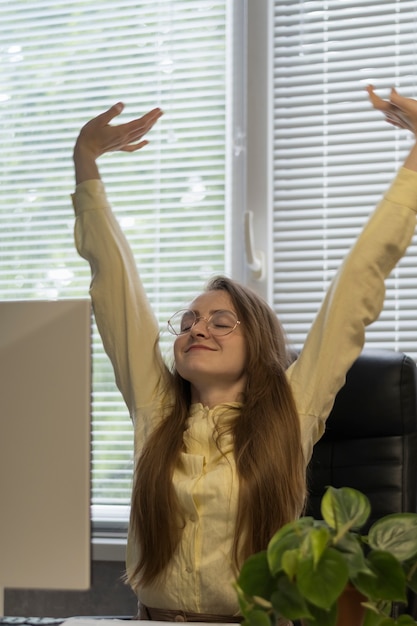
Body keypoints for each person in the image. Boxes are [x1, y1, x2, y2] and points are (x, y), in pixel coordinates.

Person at [71, 86, 417, 622]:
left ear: (259, 344)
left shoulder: (293, 409)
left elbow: (358, 282)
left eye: (221, 321)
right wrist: (86, 164)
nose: (197, 329)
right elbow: (114, 284)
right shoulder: (157, 409)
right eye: (187, 322)